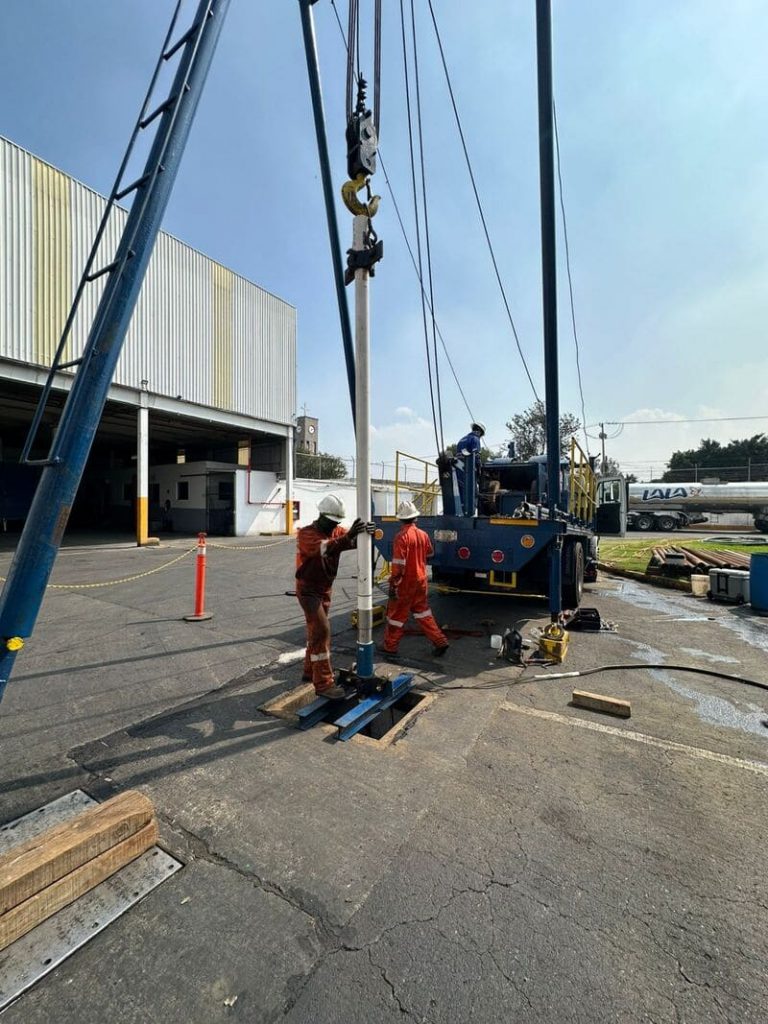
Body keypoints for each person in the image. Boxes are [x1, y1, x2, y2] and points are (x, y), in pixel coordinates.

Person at [295, 493, 373, 700]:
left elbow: (352, 541)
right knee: (322, 630)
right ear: (321, 516)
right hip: (308, 590)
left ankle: (309, 671)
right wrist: (348, 537)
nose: (334, 527)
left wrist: (371, 533)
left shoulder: (336, 531)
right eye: (331, 522)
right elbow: (324, 548)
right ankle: (323, 684)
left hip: (324, 589)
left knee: (316, 631)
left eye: (336, 523)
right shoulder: (306, 534)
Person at [379, 500, 449, 658]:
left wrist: (394, 585)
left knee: (396, 616)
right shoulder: (423, 535)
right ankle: (440, 640)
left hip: (405, 582)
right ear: (415, 518)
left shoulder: (401, 537)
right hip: (421, 580)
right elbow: (430, 554)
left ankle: (390, 647)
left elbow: (398, 565)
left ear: (400, 519)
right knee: (423, 613)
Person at [454, 421, 486, 512]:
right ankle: (471, 511)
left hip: (458, 466)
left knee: (461, 489)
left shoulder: (461, 439)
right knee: (472, 491)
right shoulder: (475, 439)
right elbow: (476, 456)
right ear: (480, 432)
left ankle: (461, 509)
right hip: (468, 468)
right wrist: (479, 469)